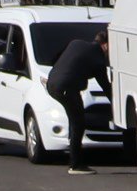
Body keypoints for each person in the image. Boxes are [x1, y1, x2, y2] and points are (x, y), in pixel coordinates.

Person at [44, 27, 109, 175]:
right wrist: (116, 106)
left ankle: (74, 157)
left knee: (74, 120)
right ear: (105, 45)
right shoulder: (98, 58)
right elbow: (105, 86)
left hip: (53, 83)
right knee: (78, 123)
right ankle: (75, 165)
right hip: (66, 88)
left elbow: (56, 58)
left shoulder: (76, 43)